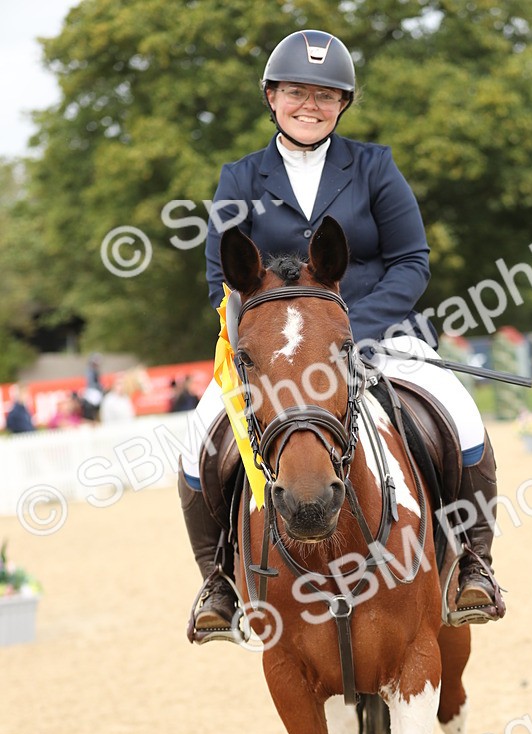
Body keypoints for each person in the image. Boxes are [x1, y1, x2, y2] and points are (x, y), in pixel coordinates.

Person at [179, 29, 505, 643]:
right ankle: (218, 580)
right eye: (297, 92)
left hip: (377, 334)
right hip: (276, 351)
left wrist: (355, 329)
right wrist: (273, 340)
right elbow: (219, 276)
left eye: (327, 96)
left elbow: (412, 260)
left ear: (343, 105)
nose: (311, 105)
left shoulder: (375, 167)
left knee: (460, 414)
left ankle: (474, 565)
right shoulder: (240, 177)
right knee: (200, 435)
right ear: (272, 97)